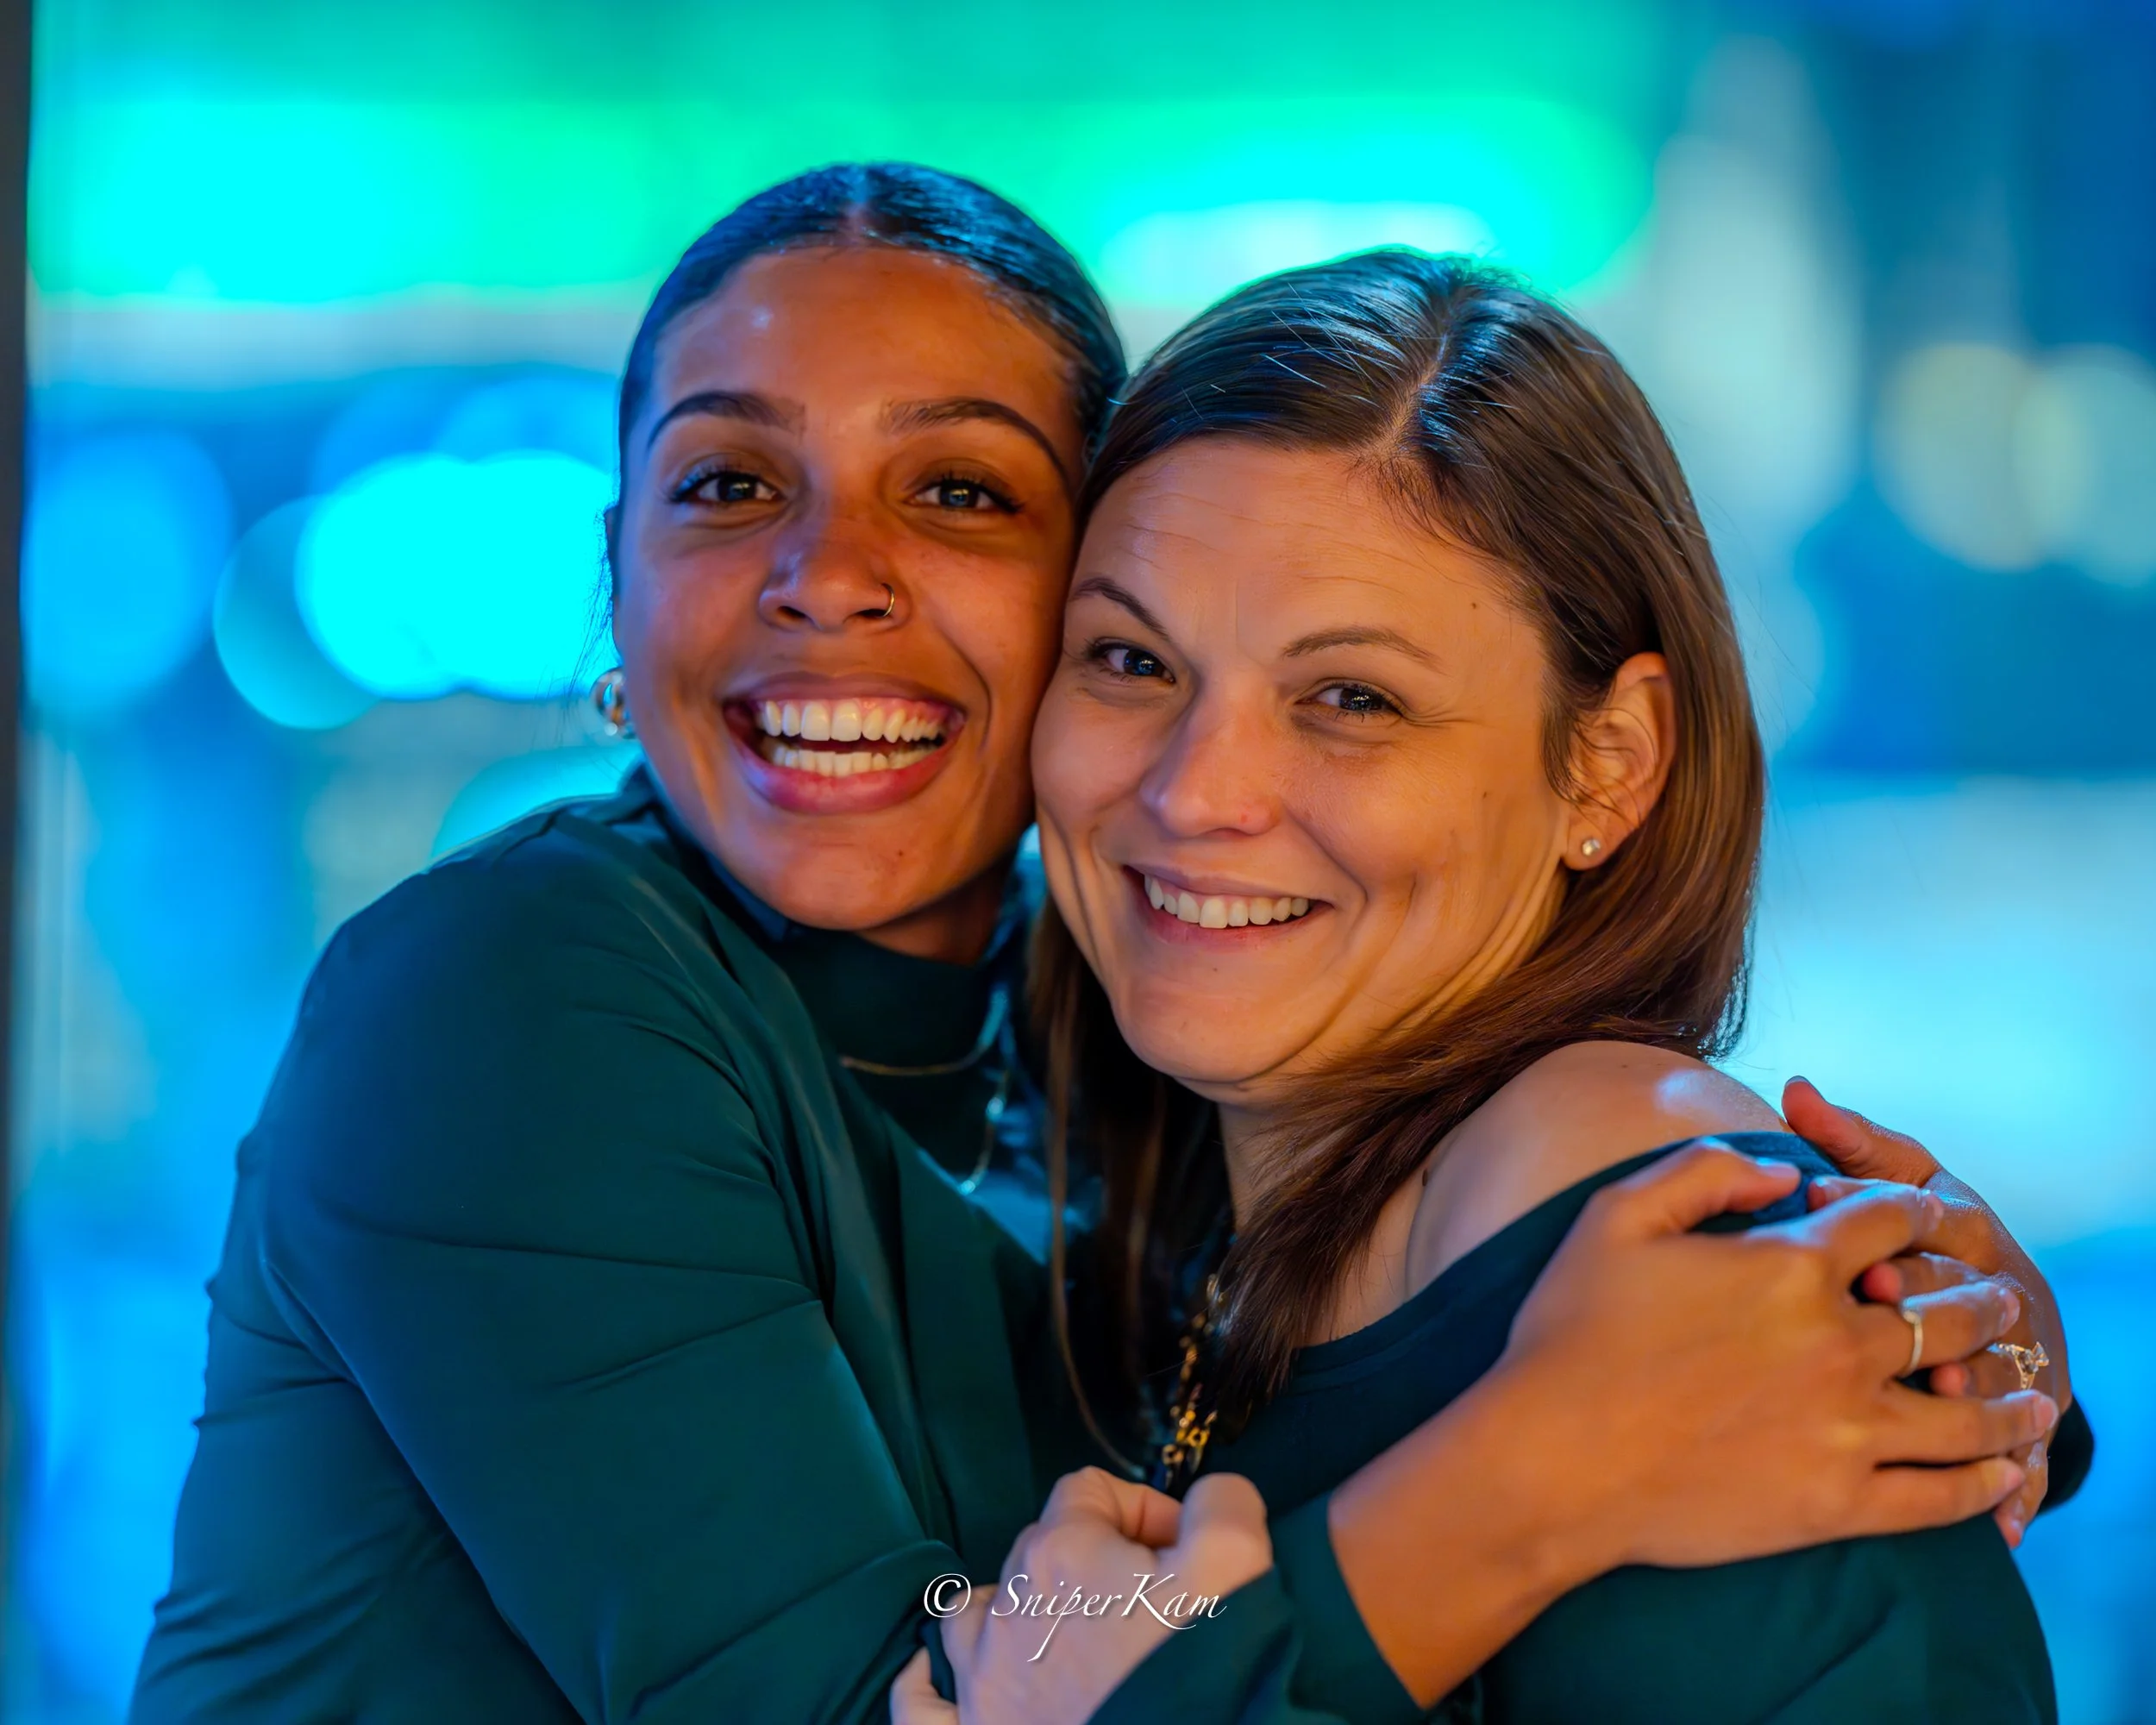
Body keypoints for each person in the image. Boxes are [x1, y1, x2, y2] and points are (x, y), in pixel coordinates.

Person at [134, 167, 2075, 1725]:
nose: (829, 579)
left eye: (957, 493)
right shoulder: (514, 994)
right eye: (727, 485)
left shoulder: (1163, 1084)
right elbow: (925, 1692)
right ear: (615, 593)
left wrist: (1951, 1342)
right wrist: (1530, 1471)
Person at [924, 249, 2067, 1722]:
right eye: (1132, 659)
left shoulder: (1722, 1312)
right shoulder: (1179, 1189)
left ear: (1610, 764)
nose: (1194, 792)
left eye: (1351, 699)